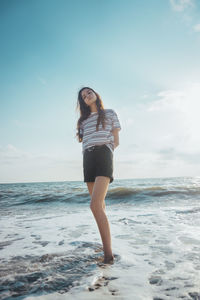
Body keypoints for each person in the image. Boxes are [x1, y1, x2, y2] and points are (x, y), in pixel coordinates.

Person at [76, 86, 121, 264]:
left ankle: (108, 257)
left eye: (88, 92)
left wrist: (108, 150)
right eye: (83, 96)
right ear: (82, 102)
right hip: (88, 158)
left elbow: (116, 140)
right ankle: (106, 246)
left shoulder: (109, 113)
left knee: (94, 206)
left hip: (103, 154)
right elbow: (84, 141)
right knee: (99, 207)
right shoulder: (83, 121)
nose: (87, 95)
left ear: (95, 94)